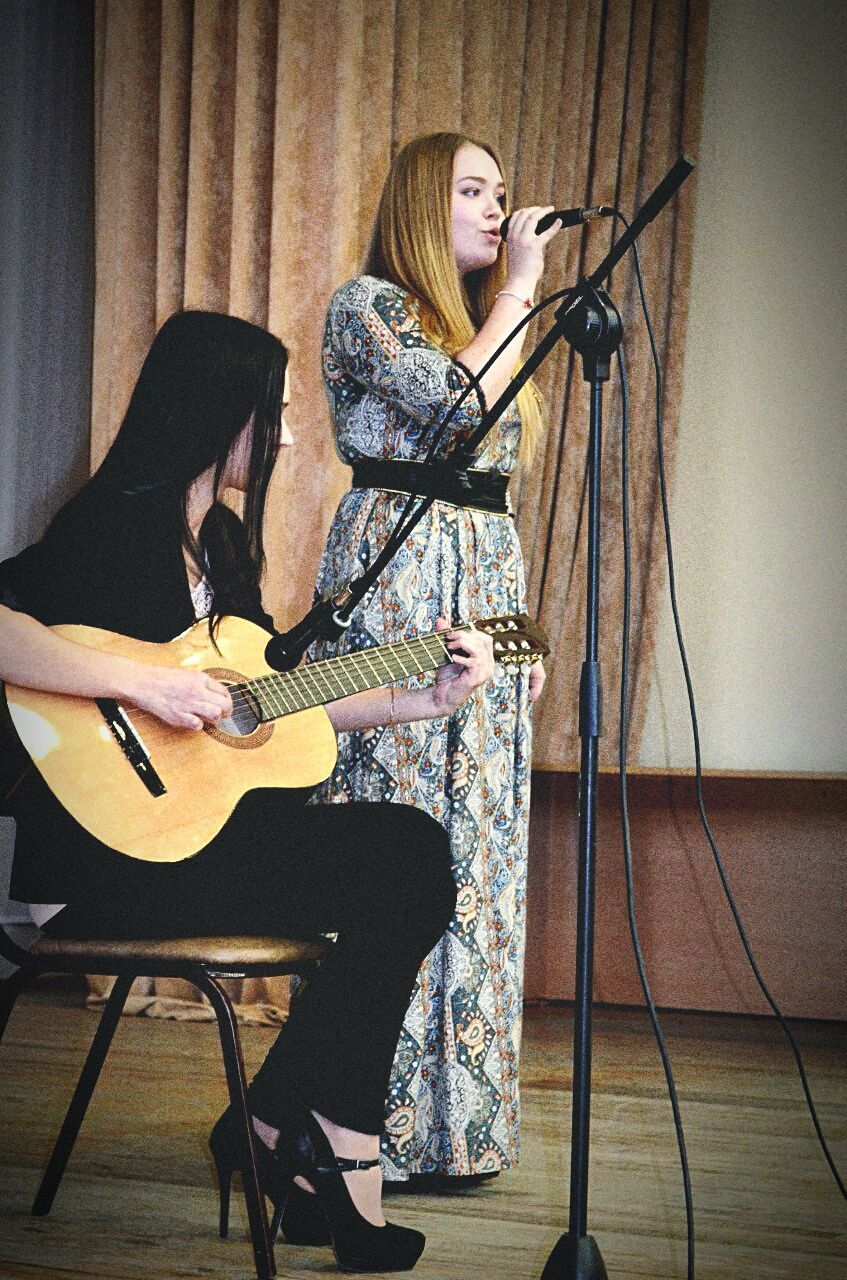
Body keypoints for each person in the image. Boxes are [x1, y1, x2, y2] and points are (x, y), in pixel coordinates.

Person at [0, 310, 495, 1273]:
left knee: (407, 855)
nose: (290, 436)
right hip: (110, 865)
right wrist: (141, 681)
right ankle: (304, 1140)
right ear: (216, 413)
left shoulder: (222, 545)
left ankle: (293, 1126)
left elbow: (264, 714)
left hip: (194, 847)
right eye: (273, 413)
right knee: (404, 858)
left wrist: (419, 698)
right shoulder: (108, 525)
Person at [312, 132, 561, 1183]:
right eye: (472, 190)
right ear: (422, 199)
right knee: (405, 833)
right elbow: (455, 411)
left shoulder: (476, 323)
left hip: (483, 594)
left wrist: (521, 635)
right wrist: (522, 291)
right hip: (398, 579)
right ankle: (361, 1128)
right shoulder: (367, 306)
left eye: (502, 192)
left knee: (480, 868)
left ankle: (461, 1129)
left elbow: (491, 497)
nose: (497, 209)